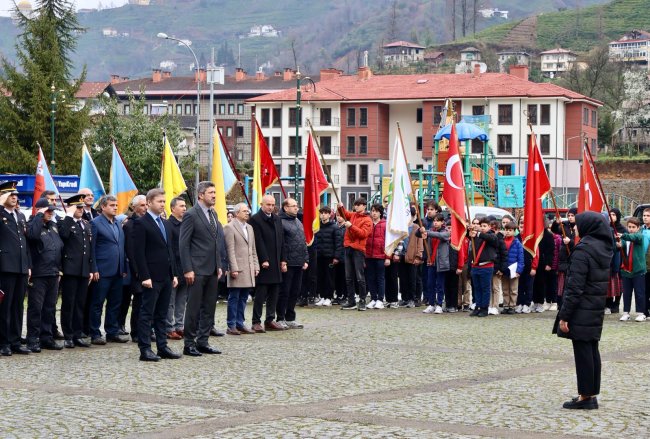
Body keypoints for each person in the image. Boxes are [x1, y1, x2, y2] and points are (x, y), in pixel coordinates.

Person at [554, 211, 613, 410]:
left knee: (583, 353)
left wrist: (565, 315)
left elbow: (574, 286)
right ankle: (590, 393)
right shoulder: (603, 247)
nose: (574, 228)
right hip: (594, 307)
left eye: (577, 225)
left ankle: (586, 397)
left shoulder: (583, 250)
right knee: (591, 350)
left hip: (582, 308)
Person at [132, 189, 181, 361]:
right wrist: (144, 276)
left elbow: (170, 251)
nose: (162, 204)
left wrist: (173, 274)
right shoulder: (141, 223)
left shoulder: (165, 223)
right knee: (147, 313)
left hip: (166, 276)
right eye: (159, 201)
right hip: (150, 278)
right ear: (149, 202)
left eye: (163, 201)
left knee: (162, 314)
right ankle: (145, 349)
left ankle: (162, 346)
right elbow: (138, 252)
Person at [179, 181, 226, 356]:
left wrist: (219, 265)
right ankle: (189, 343)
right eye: (211, 192)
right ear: (200, 195)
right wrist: (187, 269)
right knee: (194, 308)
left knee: (209, 308)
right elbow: (184, 244)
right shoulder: (191, 214)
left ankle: (203, 341)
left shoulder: (213, 214)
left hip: (212, 269)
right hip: (196, 269)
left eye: (215, 192)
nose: (214, 195)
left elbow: (216, 243)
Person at [25, 198, 64, 352]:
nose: (51, 213)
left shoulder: (53, 226)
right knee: (36, 308)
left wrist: (59, 269)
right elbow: (33, 236)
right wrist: (38, 217)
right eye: (47, 210)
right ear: (40, 210)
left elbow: (59, 247)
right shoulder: (32, 224)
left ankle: (46, 337)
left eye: (52, 211)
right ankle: (33, 339)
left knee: (50, 307)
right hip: (39, 274)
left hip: (53, 273)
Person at [89, 195, 129, 345]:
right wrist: (94, 268)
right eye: (112, 205)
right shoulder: (95, 223)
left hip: (118, 270)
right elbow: (92, 249)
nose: (115, 207)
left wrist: (123, 266)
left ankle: (112, 332)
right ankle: (94, 333)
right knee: (97, 303)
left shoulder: (118, 223)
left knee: (115, 303)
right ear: (103, 207)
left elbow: (121, 246)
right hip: (103, 270)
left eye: (116, 205)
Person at [58, 194, 95, 348]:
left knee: (80, 304)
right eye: (77, 207)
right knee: (69, 304)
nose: (80, 210)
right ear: (70, 207)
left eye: (81, 207)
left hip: (83, 270)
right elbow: (64, 236)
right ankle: (68, 335)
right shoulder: (64, 223)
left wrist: (91, 269)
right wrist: (68, 216)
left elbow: (90, 249)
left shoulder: (85, 224)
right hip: (70, 270)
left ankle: (77, 333)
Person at [0, 182, 31, 356]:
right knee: (5, 306)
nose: (14, 197)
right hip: (5, 266)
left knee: (18, 306)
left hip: (20, 266)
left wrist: (28, 265)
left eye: (16, 194)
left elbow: (24, 243)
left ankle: (15, 340)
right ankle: (3, 342)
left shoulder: (20, 216)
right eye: (10, 194)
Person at [249, 195, 286, 332]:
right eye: (268, 204)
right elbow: (258, 241)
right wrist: (263, 259)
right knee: (261, 293)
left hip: (276, 262)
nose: (270, 207)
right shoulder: (255, 220)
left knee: (275, 292)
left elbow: (282, 241)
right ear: (261, 204)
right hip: (264, 263)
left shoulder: (277, 219)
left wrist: (283, 259)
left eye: (273, 204)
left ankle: (270, 319)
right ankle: (256, 321)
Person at [223, 203, 259, 335]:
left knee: (244, 297)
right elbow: (230, 250)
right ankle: (231, 325)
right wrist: (233, 268)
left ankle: (240, 322)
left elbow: (253, 249)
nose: (247, 213)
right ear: (237, 213)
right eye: (244, 211)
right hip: (237, 268)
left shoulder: (249, 228)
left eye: (248, 211)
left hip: (248, 267)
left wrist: (256, 265)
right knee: (234, 297)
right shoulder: (229, 227)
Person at [277, 198, 308, 328]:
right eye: (293, 206)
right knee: (284, 291)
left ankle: (290, 317)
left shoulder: (298, 222)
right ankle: (280, 318)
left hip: (299, 263)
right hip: (287, 263)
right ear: (285, 208)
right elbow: (281, 244)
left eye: (297, 206)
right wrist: (282, 261)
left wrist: (306, 259)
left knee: (295, 291)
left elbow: (303, 241)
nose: (296, 208)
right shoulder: (280, 222)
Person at [120, 194, 147, 340]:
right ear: (134, 207)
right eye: (142, 205)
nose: (145, 208)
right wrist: (137, 270)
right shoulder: (130, 224)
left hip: (146, 268)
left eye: (146, 205)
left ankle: (143, 330)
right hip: (134, 270)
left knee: (144, 302)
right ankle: (135, 331)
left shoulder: (147, 222)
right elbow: (130, 250)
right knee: (136, 301)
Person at [338, 198, 372, 311]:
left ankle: (362, 300)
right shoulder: (353, 215)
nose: (356, 207)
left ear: (364, 206)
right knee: (348, 277)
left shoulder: (367, 220)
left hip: (358, 250)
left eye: (358, 205)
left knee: (359, 277)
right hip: (348, 248)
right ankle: (351, 300)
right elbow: (344, 213)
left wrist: (351, 226)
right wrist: (340, 207)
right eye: (355, 205)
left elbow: (363, 234)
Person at [417, 213, 449, 314]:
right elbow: (418, 234)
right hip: (431, 261)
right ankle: (431, 304)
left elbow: (440, 236)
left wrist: (426, 232)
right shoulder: (430, 231)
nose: (435, 222)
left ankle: (439, 304)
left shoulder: (446, 232)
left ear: (442, 222)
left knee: (440, 285)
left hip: (440, 263)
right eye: (434, 221)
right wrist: (420, 230)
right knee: (430, 284)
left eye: (438, 221)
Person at [617, 217, 646, 322]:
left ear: (638, 228)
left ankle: (641, 313)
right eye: (629, 227)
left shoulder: (639, 236)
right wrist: (619, 244)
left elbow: (634, 238)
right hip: (626, 269)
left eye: (633, 227)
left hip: (638, 270)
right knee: (627, 292)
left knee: (639, 292)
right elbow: (623, 244)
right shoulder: (626, 238)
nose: (631, 229)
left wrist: (623, 235)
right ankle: (626, 312)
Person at [166, 196, 187, 339]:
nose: (184, 208)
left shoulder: (186, 224)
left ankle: (180, 326)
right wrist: (173, 271)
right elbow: (170, 250)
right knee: (170, 302)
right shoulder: (168, 225)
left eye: (185, 206)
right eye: (181, 206)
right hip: (174, 268)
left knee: (182, 300)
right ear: (173, 208)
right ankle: (169, 327)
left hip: (186, 268)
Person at [468, 217, 498, 317]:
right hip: (475, 266)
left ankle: (484, 308)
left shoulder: (492, 235)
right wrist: (469, 232)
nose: (482, 228)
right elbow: (472, 241)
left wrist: (478, 233)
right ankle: (478, 306)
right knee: (476, 288)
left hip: (486, 266)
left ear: (490, 227)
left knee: (485, 288)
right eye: (481, 226)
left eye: (485, 226)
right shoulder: (477, 236)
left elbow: (490, 238)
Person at [365, 204, 389, 309]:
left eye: (376, 211)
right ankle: (373, 298)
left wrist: (388, 257)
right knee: (370, 278)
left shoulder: (385, 225)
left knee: (380, 278)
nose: (373, 213)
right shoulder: (368, 223)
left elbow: (389, 241)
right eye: (372, 211)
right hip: (369, 255)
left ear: (380, 212)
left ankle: (380, 299)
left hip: (380, 255)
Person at [314, 206, 337, 307]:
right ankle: (322, 296)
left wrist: (336, 257)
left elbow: (337, 243)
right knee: (320, 276)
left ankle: (329, 297)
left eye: (325, 213)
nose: (323, 215)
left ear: (329, 214)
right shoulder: (317, 227)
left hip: (329, 256)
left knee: (329, 277)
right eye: (321, 213)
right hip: (319, 255)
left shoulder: (334, 227)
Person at [500, 222, 524, 314]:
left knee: (513, 289)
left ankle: (512, 306)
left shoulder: (517, 243)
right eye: (506, 230)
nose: (508, 232)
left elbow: (521, 258)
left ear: (514, 231)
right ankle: (506, 305)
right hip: (504, 269)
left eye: (510, 230)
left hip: (514, 269)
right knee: (505, 288)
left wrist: (519, 270)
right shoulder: (501, 241)